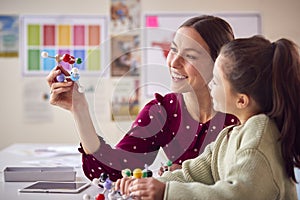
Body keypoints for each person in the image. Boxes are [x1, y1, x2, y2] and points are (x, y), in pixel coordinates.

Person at [46, 15, 239, 181]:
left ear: (218, 64)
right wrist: (79, 108)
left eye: (190, 55)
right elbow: (112, 171)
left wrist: (183, 176)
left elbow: (249, 182)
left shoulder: (242, 115)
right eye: (173, 49)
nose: (174, 62)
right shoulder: (162, 111)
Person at [115, 35, 300, 199]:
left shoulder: (259, 137)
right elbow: (191, 173)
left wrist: (166, 192)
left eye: (217, 81)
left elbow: (236, 195)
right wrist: (147, 185)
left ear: (241, 101)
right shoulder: (230, 135)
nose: (210, 84)